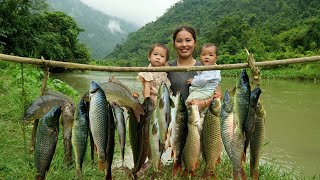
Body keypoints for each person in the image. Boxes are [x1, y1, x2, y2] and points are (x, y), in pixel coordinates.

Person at [167, 26, 221, 111]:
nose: (184, 44)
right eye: (179, 41)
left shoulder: (206, 68)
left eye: (188, 40)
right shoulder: (167, 68)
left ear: (195, 42)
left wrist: (203, 103)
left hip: (197, 120)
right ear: (174, 43)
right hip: (173, 121)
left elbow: (218, 95)